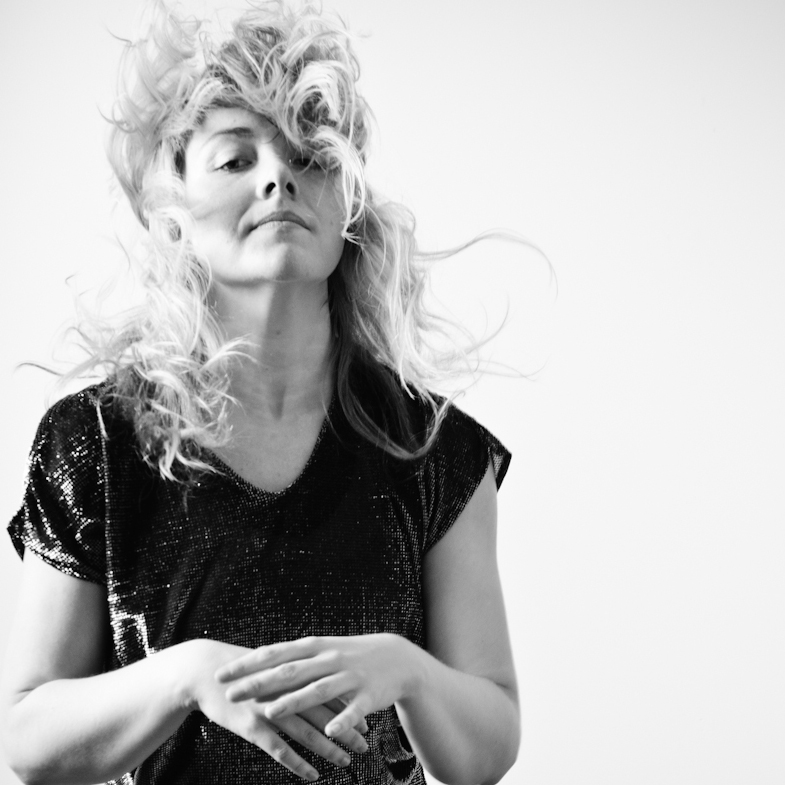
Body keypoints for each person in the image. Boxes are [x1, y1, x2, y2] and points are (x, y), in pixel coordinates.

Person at [0, 2, 519, 784]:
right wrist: (187, 674)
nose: (279, 176)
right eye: (234, 158)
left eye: (310, 155)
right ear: (172, 216)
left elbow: (488, 746)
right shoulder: (95, 442)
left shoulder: (437, 449)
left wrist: (408, 669)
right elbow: (27, 736)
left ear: (349, 204)